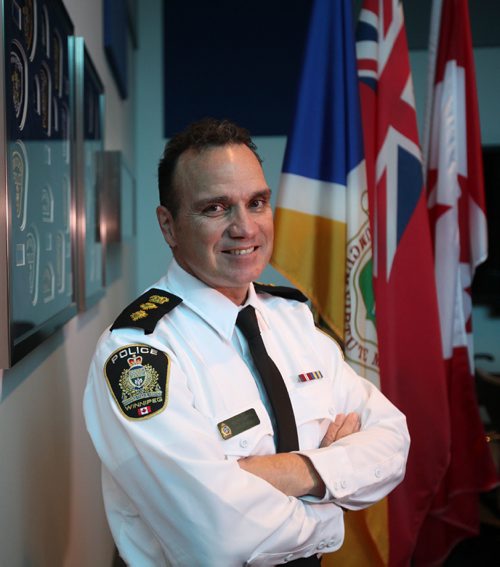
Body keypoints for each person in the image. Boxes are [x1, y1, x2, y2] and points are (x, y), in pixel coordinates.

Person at [84, 118, 410, 566]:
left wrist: (289, 473)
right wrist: (333, 508)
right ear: (169, 225)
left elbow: (392, 442)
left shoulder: (292, 321)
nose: (245, 228)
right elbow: (216, 535)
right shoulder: (139, 354)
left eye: (256, 203)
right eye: (215, 208)